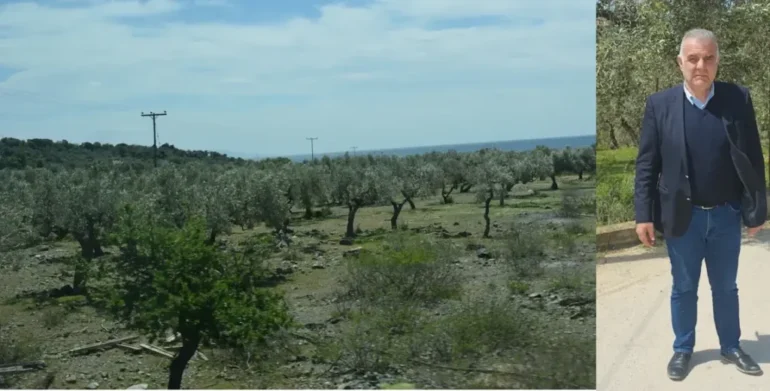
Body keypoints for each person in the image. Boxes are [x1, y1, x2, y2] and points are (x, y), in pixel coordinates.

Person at [633, 28, 767, 381]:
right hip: (682, 218)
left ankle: (731, 346)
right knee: (684, 288)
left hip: (726, 215)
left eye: (708, 58)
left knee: (726, 288)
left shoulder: (737, 98)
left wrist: (757, 209)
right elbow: (646, 164)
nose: (700, 66)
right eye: (693, 58)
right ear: (680, 62)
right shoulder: (659, 105)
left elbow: (753, 156)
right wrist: (643, 214)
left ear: (717, 61)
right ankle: (683, 349)